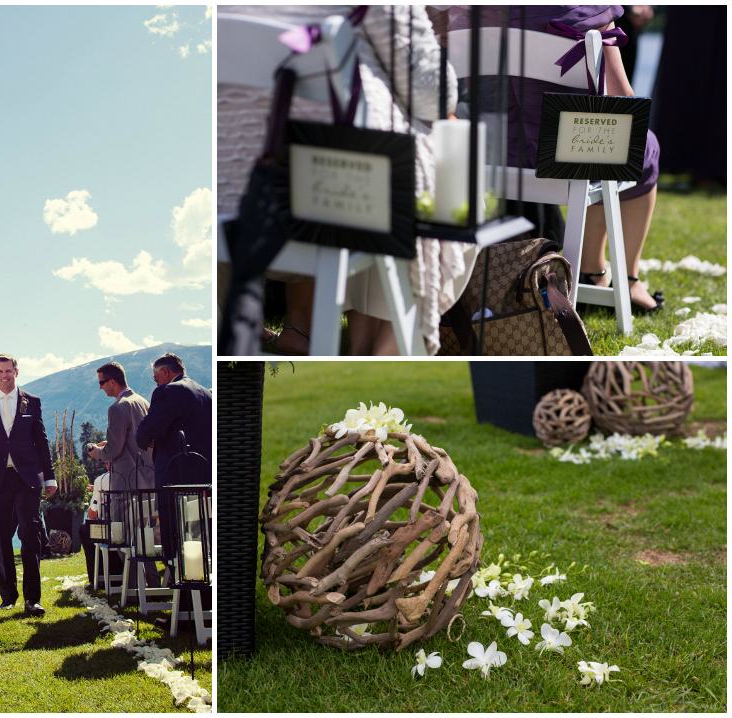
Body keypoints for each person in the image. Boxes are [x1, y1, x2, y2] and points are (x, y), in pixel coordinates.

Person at [218, 5, 470, 355]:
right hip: (331, 200)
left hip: (229, 203)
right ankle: (388, 351)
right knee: (452, 168)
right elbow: (435, 94)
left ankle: (345, 341)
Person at [449, 6, 664, 315]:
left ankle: (593, 271)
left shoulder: (473, 11)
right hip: (566, 156)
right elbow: (621, 103)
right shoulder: (587, 9)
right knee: (640, 142)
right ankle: (627, 280)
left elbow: (477, 94)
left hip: (497, 156)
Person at [0, 354, 57, 615]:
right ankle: (8, 596)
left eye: (8, 370)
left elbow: (41, 440)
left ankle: (33, 600)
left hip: (28, 476)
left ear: (16, 372)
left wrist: (50, 476)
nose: (4, 375)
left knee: (30, 534)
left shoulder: (31, 401)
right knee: (0, 536)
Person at [135, 353, 212, 559]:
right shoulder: (206, 394)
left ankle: (184, 588)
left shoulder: (168, 392)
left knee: (176, 540)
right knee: (205, 539)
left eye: (155, 377)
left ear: (165, 372)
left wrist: (148, 438)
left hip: (175, 478)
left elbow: (145, 430)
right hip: (206, 477)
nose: (156, 382)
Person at [88, 362, 153, 491]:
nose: (100, 387)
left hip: (128, 484)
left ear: (112, 382)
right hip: (150, 480)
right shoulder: (143, 402)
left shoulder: (117, 408)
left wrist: (96, 452)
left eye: (101, 382)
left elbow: (113, 450)